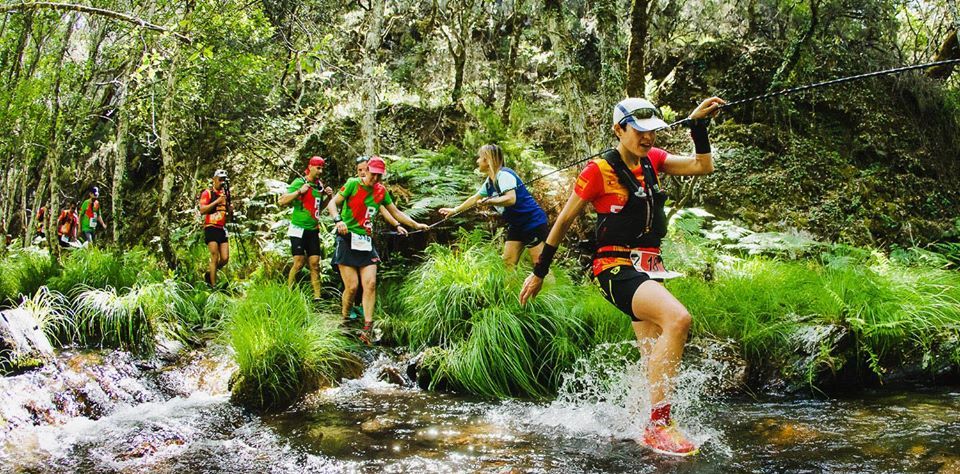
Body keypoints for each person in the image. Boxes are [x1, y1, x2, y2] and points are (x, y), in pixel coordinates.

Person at [519, 96, 725, 456]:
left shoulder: (655, 160)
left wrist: (697, 126)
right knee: (678, 319)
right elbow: (564, 221)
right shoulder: (598, 171)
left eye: (653, 132)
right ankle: (659, 424)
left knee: (652, 353)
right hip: (613, 267)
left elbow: (702, 166)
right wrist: (539, 272)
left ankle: (637, 421)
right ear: (619, 129)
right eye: (640, 132)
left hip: (650, 268)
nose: (648, 139)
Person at [327, 155, 428, 343]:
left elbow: (395, 212)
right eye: (373, 174)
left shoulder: (381, 191)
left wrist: (416, 224)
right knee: (352, 287)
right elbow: (332, 203)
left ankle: (368, 328)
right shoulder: (352, 184)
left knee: (370, 284)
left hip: (365, 242)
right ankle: (346, 319)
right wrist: (338, 220)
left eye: (379, 176)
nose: (375, 179)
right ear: (366, 171)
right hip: (347, 239)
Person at [439, 144, 549, 267]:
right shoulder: (490, 182)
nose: (477, 161)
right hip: (517, 225)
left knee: (540, 265)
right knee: (507, 264)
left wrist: (490, 201)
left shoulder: (504, 175)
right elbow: (475, 198)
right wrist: (455, 210)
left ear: (487, 160)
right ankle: (510, 287)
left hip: (532, 222)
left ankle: (551, 286)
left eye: (480, 157)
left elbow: (511, 199)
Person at [279, 156, 333, 300]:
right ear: (310, 167)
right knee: (298, 262)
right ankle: (289, 293)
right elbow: (282, 200)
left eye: (322, 168)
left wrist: (328, 197)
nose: (320, 171)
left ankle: (317, 297)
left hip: (313, 230)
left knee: (315, 264)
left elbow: (318, 209)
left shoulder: (319, 186)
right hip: (298, 228)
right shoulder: (299, 182)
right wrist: (299, 192)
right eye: (318, 168)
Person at [198, 169, 233, 287]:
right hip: (211, 227)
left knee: (225, 258)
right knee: (214, 256)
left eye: (224, 180)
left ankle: (210, 272)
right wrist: (217, 201)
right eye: (220, 179)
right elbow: (202, 210)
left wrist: (230, 209)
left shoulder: (226, 194)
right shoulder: (207, 193)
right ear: (214, 180)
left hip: (222, 228)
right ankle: (213, 286)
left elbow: (229, 214)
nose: (222, 182)